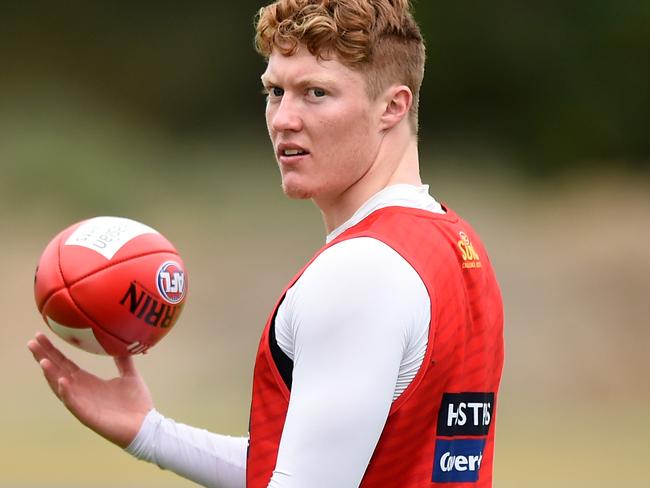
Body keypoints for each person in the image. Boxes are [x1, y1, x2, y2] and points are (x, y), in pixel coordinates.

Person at [28, 0, 504, 487]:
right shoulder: (457, 244)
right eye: (276, 91)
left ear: (392, 107)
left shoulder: (362, 270)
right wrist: (152, 434)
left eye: (316, 92)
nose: (283, 119)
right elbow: (312, 465)